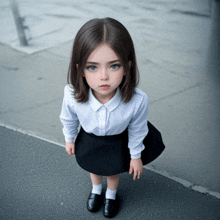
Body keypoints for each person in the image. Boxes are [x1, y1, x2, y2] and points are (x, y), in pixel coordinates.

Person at [60, 17, 149, 218]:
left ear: (127, 66)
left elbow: (138, 129)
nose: (103, 77)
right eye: (92, 67)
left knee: (112, 171)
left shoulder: (137, 101)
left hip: (116, 142)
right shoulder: (72, 95)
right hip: (89, 140)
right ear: (79, 69)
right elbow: (69, 118)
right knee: (94, 167)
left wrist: (136, 156)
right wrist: (69, 138)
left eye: (114, 66)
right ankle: (96, 190)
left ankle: (111, 194)